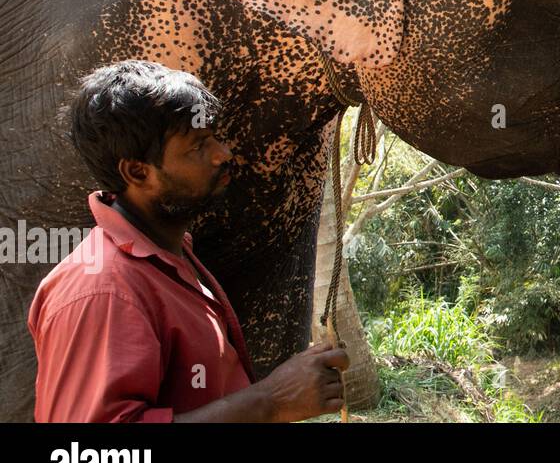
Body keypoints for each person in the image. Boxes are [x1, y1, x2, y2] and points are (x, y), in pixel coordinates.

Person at [28, 59, 349, 422]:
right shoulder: (102, 291)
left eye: (215, 137)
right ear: (138, 172)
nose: (223, 154)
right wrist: (270, 400)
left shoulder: (168, 256)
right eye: (197, 146)